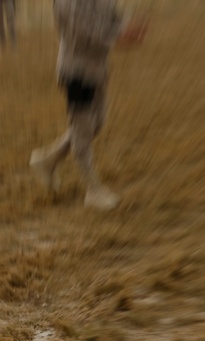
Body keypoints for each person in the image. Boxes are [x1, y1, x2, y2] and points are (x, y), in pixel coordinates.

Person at [29, 0, 147, 210]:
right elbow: (80, 34)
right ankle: (93, 191)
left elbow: (114, 17)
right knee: (82, 131)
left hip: (98, 70)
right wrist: (119, 37)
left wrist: (128, 26)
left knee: (97, 123)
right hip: (76, 72)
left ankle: (47, 161)